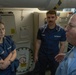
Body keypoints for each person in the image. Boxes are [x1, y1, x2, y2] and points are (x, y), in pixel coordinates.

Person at [33, 10, 66, 75]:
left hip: (54, 56)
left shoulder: (61, 30)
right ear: (46, 18)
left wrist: (59, 55)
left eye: (52, 17)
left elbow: (62, 44)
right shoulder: (41, 29)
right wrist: (36, 55)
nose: (50, 19)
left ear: (56, 18)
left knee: (54, 72)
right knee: (40, 72)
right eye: (48, 17)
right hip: (43, 55)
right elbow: (38, 42)